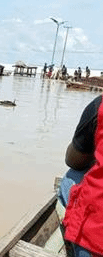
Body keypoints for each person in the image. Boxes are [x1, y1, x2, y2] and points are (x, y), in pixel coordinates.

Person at [58, 95, 103, 257]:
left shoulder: (99, 106)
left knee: (70, 178)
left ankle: (74, 238)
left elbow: (73, 160)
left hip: (97, 238)